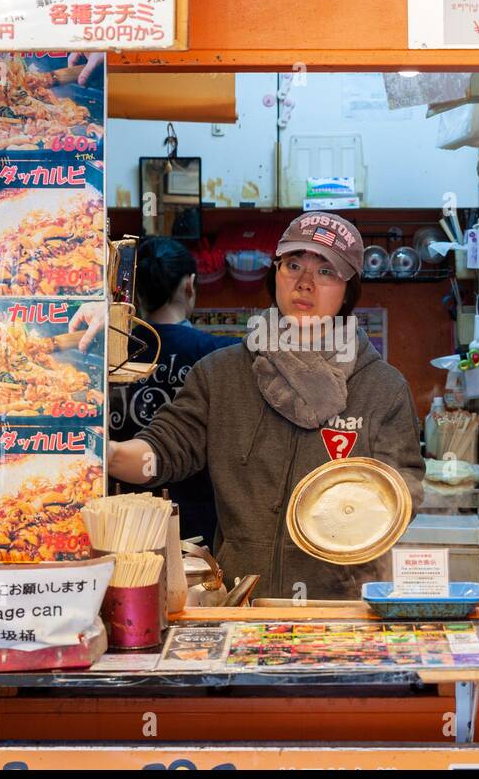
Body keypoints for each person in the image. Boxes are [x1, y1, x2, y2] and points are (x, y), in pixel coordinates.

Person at [109, 212, 424, 600]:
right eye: (293, 265)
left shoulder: (382, 388)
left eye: (326, 272)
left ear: (349, 289)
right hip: (241, 601)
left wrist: (349, 523)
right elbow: (164, 448)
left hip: (343, 607)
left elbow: (404, 492)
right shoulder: (221, 374)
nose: (304, 283)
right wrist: (105, 455)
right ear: (274, 271)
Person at [109, 237, 235, 549]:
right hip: (197, 527)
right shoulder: (219, 355)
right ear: (190, 285)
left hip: (118, 521)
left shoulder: (109, 352)